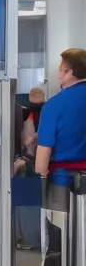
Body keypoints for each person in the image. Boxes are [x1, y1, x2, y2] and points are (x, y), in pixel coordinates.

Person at [35, 49, 86, 187]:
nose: (57, 73)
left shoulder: (54, 105)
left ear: (69, 72)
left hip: (62, 179)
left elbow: (42, 158)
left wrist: (42, 177)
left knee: (62, 209)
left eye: (60, 69)